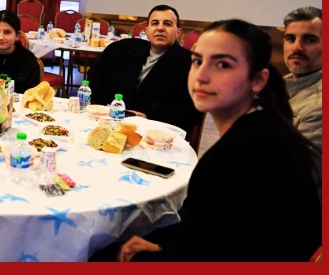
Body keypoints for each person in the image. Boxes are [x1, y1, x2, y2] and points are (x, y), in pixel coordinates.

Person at [114, 19, 321, 262]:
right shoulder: (266, 126)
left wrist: (146, 257)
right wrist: (163, 245)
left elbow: (204, 255)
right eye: (197, 61)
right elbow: (211, 232)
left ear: (258, 80)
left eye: (222, 64)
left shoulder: (241, 151)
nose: (201, 76)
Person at [93, 4, 203, 140]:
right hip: (122, 126)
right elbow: (111, 92)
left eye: (167, 24)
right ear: (147, 30)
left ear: (178, 32)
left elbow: (192, 112)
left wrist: (146, 116)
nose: (160, 28)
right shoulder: (131, 56)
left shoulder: (191, 63)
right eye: (155, 23)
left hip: (161, 133)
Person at [282, 6, 322, 152]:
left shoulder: (319, 107)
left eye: (310, 40)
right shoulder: (274, 85)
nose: (297, 47)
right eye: (290, 39)